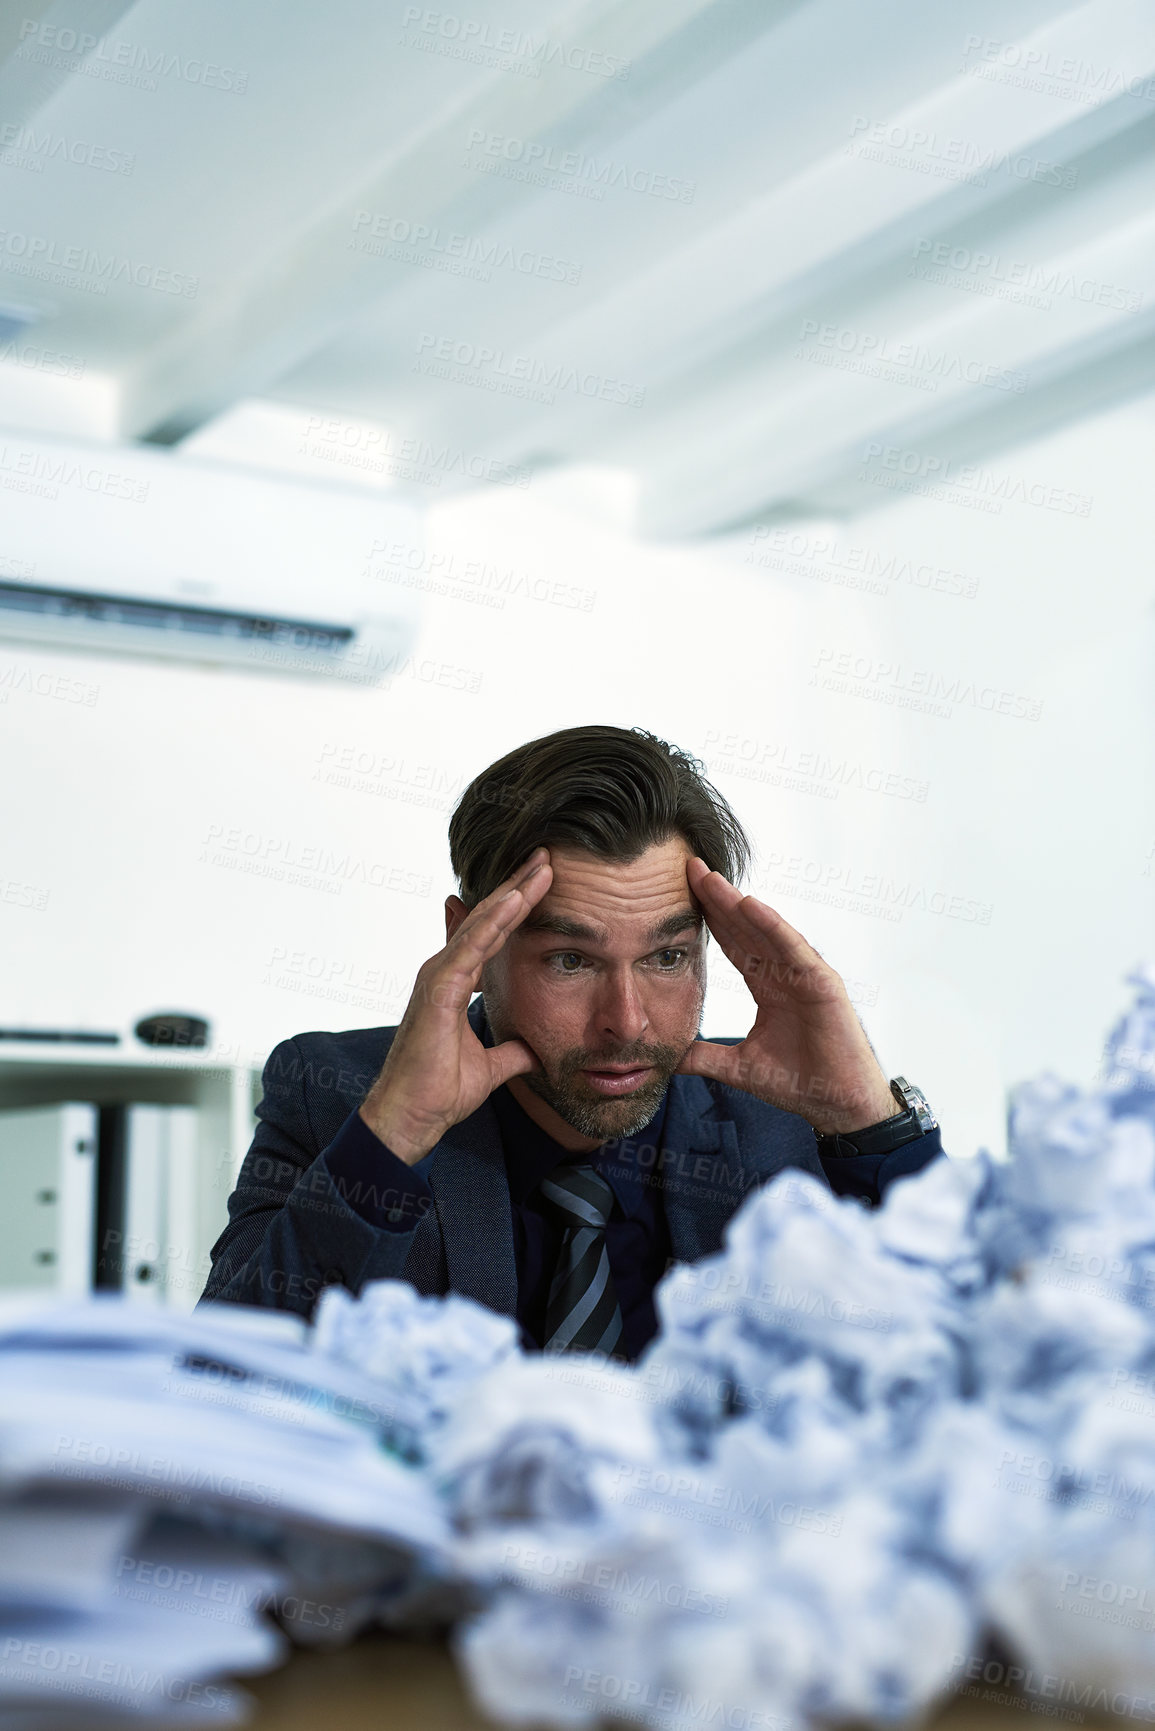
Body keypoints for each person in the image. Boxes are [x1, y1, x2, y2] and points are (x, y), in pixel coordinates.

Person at [200, 725, 943, 1360]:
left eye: (666, 957)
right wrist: (397, 1131)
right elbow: (224, 1386)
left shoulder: (784, 1124)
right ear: (469, 938)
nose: (627, 1021)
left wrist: (869, 1123)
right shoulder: (336, 1092)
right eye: (570, 960)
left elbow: (982, 1362)